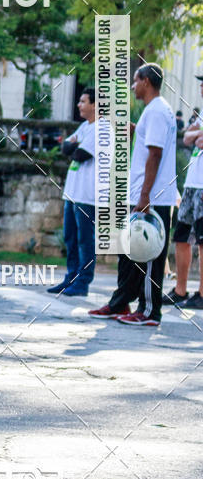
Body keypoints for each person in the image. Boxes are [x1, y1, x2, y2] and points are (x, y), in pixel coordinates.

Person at [89, 63, 177, 326]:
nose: (132, 86)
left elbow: (155, 153)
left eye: (135, 81)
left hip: (152, 197)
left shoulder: (159, 111)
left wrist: (145, 196)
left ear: (146, 82)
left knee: (149, 254)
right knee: (128, 250)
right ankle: (121, 301)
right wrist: (131, 127)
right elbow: (149, 141)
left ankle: (150, 311)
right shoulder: (153, 112)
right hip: (140, 192)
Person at [48, 89, 98, 297]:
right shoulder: (84, 126)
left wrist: (73, 144)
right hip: (72, 193)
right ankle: (71, 277)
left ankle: (83, 282)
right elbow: (64, 148)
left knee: (85, 239)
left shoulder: (100, 129)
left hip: (87, 196)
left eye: (83, 101)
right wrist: (72, 144)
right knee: (70, 237)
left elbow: (78, 154)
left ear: (95, 105)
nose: (78, 104)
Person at [164, 76, 203, 310]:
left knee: (202, 239)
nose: (200, 86)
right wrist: (195, 135)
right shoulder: (200, 116)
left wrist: (196, 135)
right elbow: (187, 137)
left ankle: (201, 293)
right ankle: (180, 289)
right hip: (191, 184)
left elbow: (196, 138)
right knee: (181, 235)